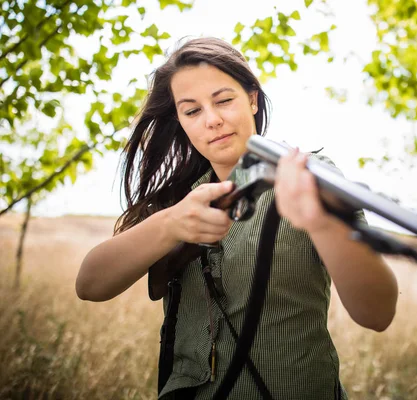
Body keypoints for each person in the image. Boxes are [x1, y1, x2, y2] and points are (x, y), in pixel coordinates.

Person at [76, 37, 398, 400]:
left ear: (253, 99)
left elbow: (377, 314)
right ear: (180, 120)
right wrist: (170, 225)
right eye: (192, 111)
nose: (212, 120)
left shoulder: (309, 177)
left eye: (223, 100)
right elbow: (90, 286)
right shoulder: (178, 200)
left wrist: (322, 222)